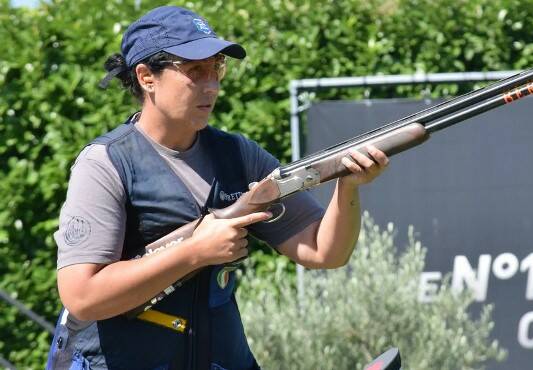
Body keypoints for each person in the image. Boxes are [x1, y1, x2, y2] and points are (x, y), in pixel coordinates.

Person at [46, 5, 389, 370]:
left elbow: (325, 252)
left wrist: (348, 188)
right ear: (147, 77)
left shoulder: (239, 156)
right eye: (195, 71)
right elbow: (81, 295)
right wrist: (194, 252)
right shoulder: (106, 163)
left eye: (217, 68)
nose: (212, 85)